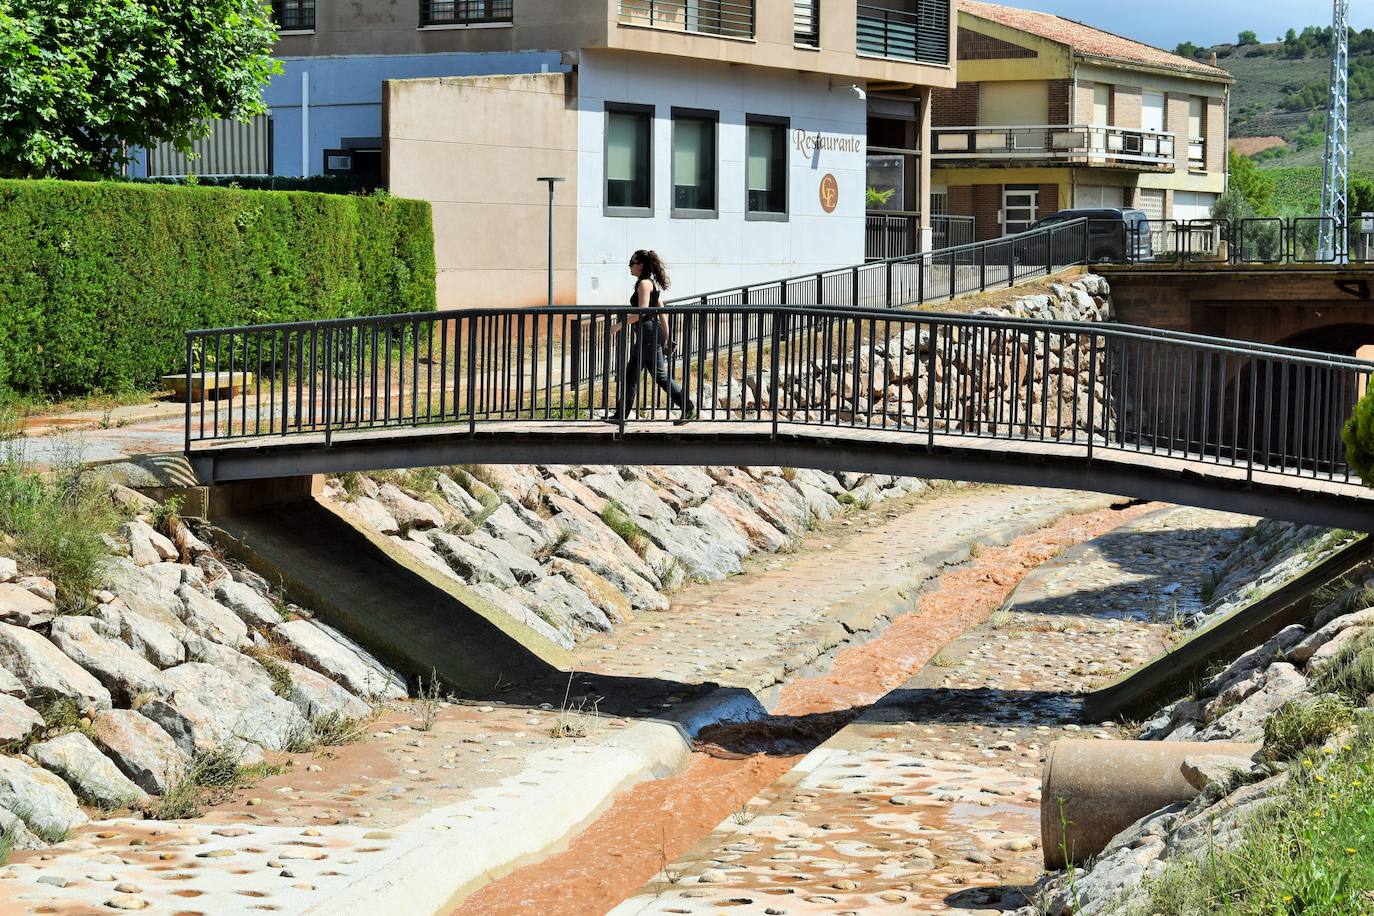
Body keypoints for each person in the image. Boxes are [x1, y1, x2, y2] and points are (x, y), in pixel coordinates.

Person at [606, 250, 696, 424]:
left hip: (648, 335)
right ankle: (620, 416)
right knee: (632, 374)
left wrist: (618, 325)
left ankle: (688, 407)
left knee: (659, 376)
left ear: (640, 265)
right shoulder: (648, 283)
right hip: (648, 335)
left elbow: (642, 312)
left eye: (631, 263)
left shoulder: (645, 284)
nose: (629, 267)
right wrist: (668, 337)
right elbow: (662, 312)